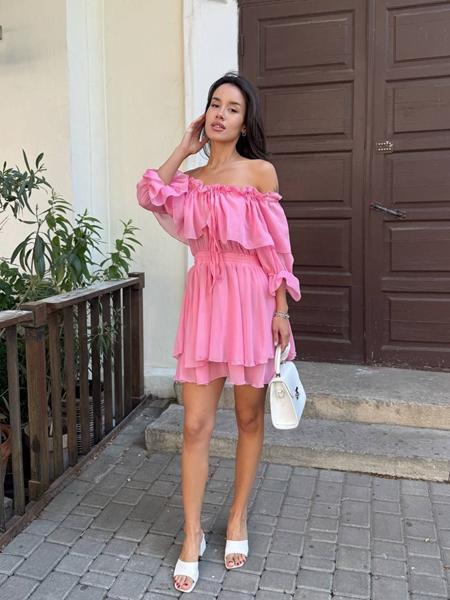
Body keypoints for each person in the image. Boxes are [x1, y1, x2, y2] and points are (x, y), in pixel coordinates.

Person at [136, 72, 301, 594]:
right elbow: (150, 194)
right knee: (194, 426)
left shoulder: (260, 172)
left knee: (249, 418)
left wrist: (282, 311)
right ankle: (192, 536)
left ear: (245, 122)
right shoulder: (191, 180)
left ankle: (237, 517)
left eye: (232, 108)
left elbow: (276, 250)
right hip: (206, 302)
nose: (220, 114)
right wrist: (184, 148)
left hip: (252, 303)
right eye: (214, 104)